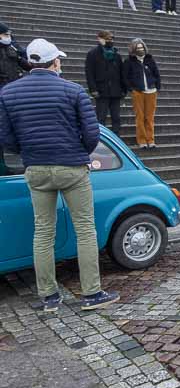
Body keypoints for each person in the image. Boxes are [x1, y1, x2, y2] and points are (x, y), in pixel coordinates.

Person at [0, 38, 120, 312]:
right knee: (85, 230)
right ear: (54, 62)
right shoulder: (73, 90)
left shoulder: (8, 93)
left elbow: (6, 138)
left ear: (31, 63)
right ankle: (91, 293)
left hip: (36, 168)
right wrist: (77, 153)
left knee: (43, 232)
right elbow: (91, 135)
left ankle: (49, 297)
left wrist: (29, 151)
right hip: (71, 167)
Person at [85, 30, 126, 135]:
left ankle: (116, 138)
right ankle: (100, 139)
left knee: (116, 118)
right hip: (101, 91)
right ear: (99, 39)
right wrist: (93, 89)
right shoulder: (93, 53)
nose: (110, 41)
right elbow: (89, 73)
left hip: (116, 91)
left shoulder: (116, 55)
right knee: (101, 117)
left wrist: (124, 89)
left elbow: (122, 73)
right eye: (107, 39)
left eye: (111, 39)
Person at [123, 39, 161, 149]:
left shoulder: (150, 60)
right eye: (138, 48)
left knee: (149, 117)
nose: (141, 50)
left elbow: (156, 73)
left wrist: (157, 86)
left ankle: (151, 140)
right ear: (134, 49)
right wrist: (131, 89)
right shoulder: (129, 61)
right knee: (140, 117)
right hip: (138, 92)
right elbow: (125, 77)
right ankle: (142, 140)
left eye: (142, 47)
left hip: (151, 91)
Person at [0, 22, 30, 91]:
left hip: (15, 85)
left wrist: (19, 58)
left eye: (9, 35)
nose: (8, 37)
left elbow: (27, 65)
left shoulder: (12, 47)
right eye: (5, 35)